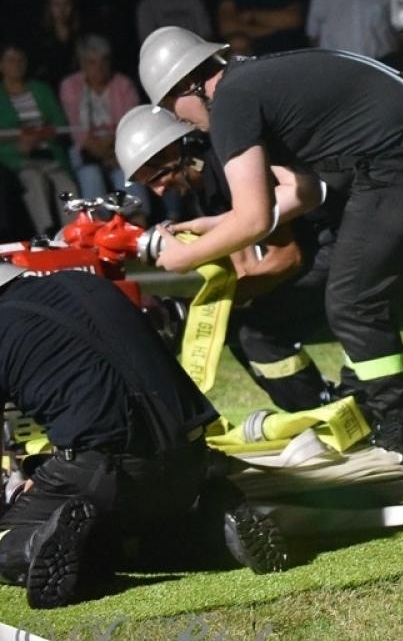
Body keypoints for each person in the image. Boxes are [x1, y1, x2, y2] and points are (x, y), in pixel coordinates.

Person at [136, 26, 403, 490]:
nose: (179, 122)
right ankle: (377, 432)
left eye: (171, 108)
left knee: (354, 305)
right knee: (355, 302)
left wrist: (184, 260)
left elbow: (253, 218)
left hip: (401, 153)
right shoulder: (249, 79)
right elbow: (301, 193)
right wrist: (213, 228)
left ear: (186, 86)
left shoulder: (229, 102)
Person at [0, 264, 289, 609]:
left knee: (61, 537)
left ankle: (34, 544)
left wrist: (22, 491)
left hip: (102, 469)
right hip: (190, 461)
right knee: (115, 531)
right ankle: (212, 531)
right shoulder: (84, 283)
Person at [115, 105, 340, 414]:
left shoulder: (226, 166)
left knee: (257, 335)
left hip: (335, 249)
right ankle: (321, 408)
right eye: (148, 184)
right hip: (321, 250)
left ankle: (326, 412)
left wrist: (198, 305)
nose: (158, 191)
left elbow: (287, 258)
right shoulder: (204, 183)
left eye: (157, 177)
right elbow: (246, 267)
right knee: (236, 329)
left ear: (174, 150)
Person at [0, 42, 77, 236]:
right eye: (11, 60)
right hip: (18, 161)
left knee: (66, 185)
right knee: (34, 181)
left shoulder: (41, 89)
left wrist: (42, 134)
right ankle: (47, 234)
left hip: (49, 154)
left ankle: (74, 234)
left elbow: (59, 122)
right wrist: (19, 146)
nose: (17, 65)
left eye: (20, 60)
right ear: (1, 65)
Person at [57, 34, 143, 205]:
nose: (100, 67)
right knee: (91, 175)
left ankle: (136, 220)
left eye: (104, 61)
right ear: (82, 63)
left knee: (126, 175)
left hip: (119, 148)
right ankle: (98, 225)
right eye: (92, 62)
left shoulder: (123, 84)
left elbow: (129, 124)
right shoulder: (70, 86)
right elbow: (77, 130)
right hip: (86, 150)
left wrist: (113, 151)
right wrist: (100, 152)